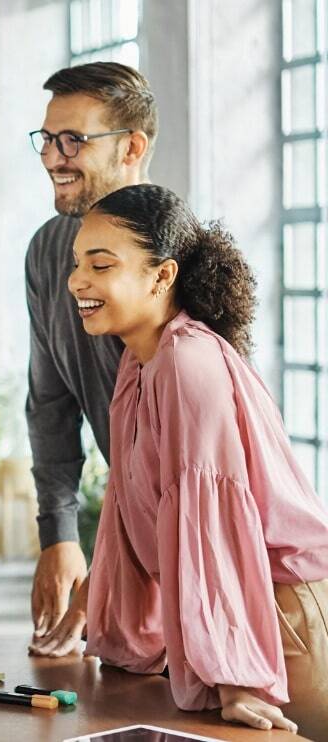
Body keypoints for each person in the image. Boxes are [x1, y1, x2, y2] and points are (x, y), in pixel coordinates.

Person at [68, 183, 328, 736]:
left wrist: (234, 676)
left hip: (281, 617)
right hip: (241, 614)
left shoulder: (188, 363)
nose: (77, 282)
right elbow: (130, 506)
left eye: (100, 264)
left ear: (163, 276)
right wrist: (109, 618)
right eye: (77, 263)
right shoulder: (139, 364)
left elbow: (217, 530)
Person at [23, 62, 157, 650]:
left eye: (74, 139)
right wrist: (59, 533)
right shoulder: (48, 250)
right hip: (133, 536)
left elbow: (186, 467)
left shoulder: (180, 258)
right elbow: (49, 404)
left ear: (131, 147)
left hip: (202, 547)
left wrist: (107, 570)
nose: (54, 156)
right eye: (48, 139)